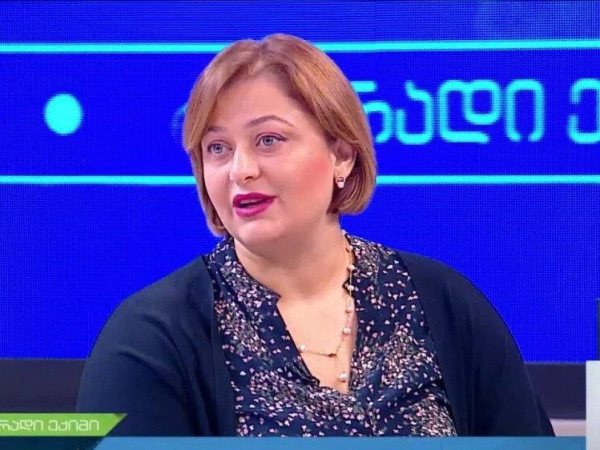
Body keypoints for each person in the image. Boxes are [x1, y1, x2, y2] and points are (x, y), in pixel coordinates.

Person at [77, 33, 554, 437]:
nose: (240, 170)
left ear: (342, 155)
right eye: (217, 148)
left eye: (268, 140)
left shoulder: (444, 303)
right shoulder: (150, 336)